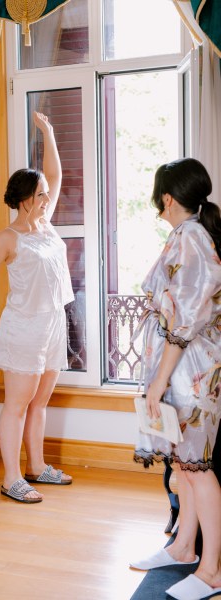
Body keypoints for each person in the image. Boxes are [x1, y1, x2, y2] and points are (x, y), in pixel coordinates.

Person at [0, 111, 74, 504]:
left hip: (54, 322)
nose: (48, 197)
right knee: (18, 404)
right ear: (25, 199)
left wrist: (49, 132)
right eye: (40, 193)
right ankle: (11, 478)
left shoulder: (46, 224)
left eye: (46, 194)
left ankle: (37, 467)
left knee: (40, 401)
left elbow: (55, 176)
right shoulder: (7, 238)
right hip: (23, 327)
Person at [129, 158, 221, 600]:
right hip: (185, 371)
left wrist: (158, 381)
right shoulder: (188, 236)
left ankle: (211, 571)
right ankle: (184, 547)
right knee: (185, 463)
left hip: (192, 373)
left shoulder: (192, 238)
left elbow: (185, 319)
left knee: (199, 469)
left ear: (167, 197)